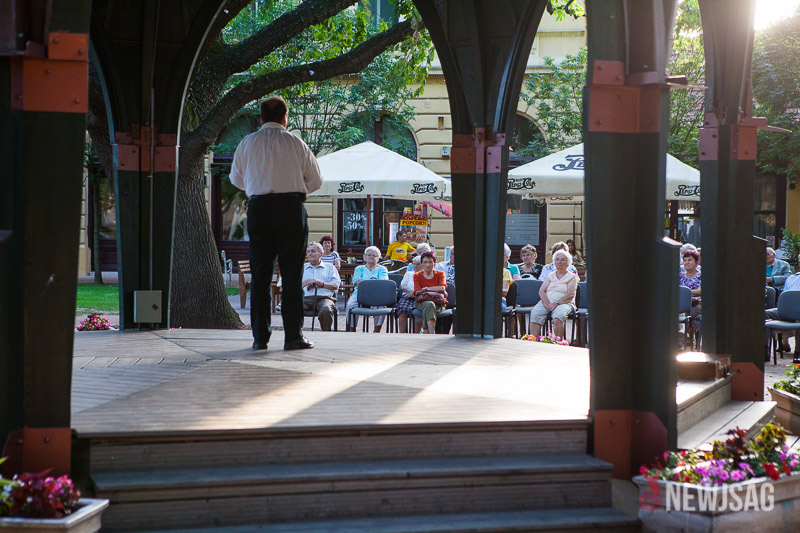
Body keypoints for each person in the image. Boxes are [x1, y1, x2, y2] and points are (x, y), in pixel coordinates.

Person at [230, 96, 322, 351]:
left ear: (261, 118)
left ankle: (260, 338)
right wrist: (291, 186)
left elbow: (236, 179)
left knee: (260, 275)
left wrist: (258, 185)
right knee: (292, 275)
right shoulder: (296, 143)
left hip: (259, 208)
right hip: (291, 209)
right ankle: (293, 336)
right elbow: (316, 181)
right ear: (285, 118)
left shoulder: (247, 143)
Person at [529, 250, 578, 340]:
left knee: (558, 317)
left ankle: (558, 342)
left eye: (562, 260)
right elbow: (542, 291)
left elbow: (570, 294)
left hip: (564, 303)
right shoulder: (550, 275)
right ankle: (533, 341)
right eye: (557, 259)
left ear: (568, 262)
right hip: (547, 302)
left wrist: (557, 303)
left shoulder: (572, 277)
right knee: (535, 313)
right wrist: (546, 303)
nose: (559, 262)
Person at [346, 246, 389, 332]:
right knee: (350, 305)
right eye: (369, 255)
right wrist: (373, 282)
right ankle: (352, 330)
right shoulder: (359, 268)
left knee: (382, 307)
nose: (371, 257)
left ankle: (376, 331)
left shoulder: (382, 269)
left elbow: (382, 283)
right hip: (359, 294)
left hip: (377, 295)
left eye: (374, 255)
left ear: (378, 259)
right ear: (364, 257)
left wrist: (364, 283)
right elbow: (357, 282)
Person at [301, 242, 340, 331]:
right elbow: (294, 287)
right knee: (293, 308)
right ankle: (296, 335)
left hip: (324, 298)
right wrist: (307, 282)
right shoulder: (302, 268)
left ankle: (326, 334)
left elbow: (335, 286)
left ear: (321, 254)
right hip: (304, 298)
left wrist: (321, 284)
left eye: (313, 251)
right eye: (308, 252)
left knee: (326, 309)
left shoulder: (330, 267)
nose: (310, 254)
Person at [766, 254, 800, 352]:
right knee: (763, 314)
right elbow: (783, 297)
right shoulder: (792, 278)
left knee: (798, 319)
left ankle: (797, 353)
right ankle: (764, 350)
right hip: (787, 310)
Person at [414, 251, 448, 334]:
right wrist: (434, 289)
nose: (427, 265)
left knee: (429, 306)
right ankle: (432, 333)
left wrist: (426, 289)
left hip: (439, 303)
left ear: (435, 263)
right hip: (422, 302)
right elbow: (417, 291)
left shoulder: (440, 274)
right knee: (430, 304)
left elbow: (442, 288)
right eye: (425, 262)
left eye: (430, 262)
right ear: (422, 264)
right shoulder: (417, 275)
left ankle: (426, 332)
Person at [396, 256, 424, 333]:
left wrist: (415, 294)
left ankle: (415, 334)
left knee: (416, 313)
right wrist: (411, 292)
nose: (415, 266)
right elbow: (403, 285)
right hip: (407, 296)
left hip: (419, 297)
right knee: (402, 311)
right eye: (414, 264)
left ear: (423, 265)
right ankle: (403, 335)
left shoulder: (424, 275)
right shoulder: (409, 274)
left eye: (418, 264)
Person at [679, 249, 702, 338]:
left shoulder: (701, 276)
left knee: (684, 311)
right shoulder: (680, 276)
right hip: (680, 304)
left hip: (696, 304)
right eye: (685, 260)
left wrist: (685, 292)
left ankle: (683, 332)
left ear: (697, 262)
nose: (686, 263)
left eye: (689, 260)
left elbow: (700, 291)